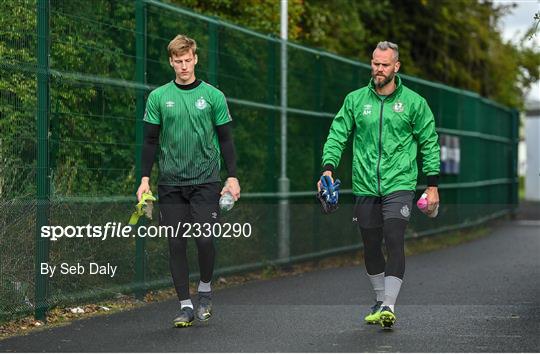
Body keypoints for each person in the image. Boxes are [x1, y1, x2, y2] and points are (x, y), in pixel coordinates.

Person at [319, 41, 440, 328]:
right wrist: (327, 168)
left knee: (394, 237)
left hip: (400, 182)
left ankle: (389, 304)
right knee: (371, 244)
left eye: (385, 64)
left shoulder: (414, 102)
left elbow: (429, 143)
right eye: (375, 63)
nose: (379, 69)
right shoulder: (355, 100)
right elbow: (338, 135)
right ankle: (378, 299)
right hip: (364, 185)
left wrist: (432, 184)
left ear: (396, 67)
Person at [136, 34, 241, 328]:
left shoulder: (213, 96)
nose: (183, 66)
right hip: (170, 184)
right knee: (176, 244)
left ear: (195, 59)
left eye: (188, 60)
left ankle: (205, 290)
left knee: (205, 239)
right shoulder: (158, 97)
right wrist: (144, 180)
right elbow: (149, 142)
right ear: (171, 62)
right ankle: (185, 306)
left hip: (206, 181)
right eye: (178, 61)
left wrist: (232, 177)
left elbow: (226, 139)